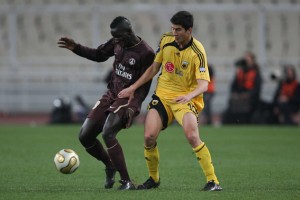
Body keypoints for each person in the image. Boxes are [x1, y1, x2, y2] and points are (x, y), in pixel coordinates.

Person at [118, 11, 222, 191]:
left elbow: (204, 84)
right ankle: (153, 179)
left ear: (189, 30)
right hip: (163, 96)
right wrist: (133, 87)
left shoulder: (198, 51)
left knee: (192, 136)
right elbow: (153, 69)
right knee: (149, 137)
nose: (174, 32)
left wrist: (189, 96)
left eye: (178, 29)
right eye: (172, 28)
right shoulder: (166, 41)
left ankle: (213, 181)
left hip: (185, 99)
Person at [57, 16, 155, 190]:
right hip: (111, 94)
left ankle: (127, 182)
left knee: (108, 132)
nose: (115, 41)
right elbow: (99, 54)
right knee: (85, 136)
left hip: (128, 98)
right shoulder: (117, 43)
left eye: (118, 37)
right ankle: (110, 166)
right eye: (114, 37)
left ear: (128, 32)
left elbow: (145, 84)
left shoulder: (146, 53)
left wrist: (134, 106)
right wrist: (76, 48)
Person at [222, 51, 262, 124]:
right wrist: (235, 93)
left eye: (248, 59)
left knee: (246, 104)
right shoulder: (240, 71)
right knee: (233, 101)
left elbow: (257, 88)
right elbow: (234, 85)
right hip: (240, 95)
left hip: (251, 97)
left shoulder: (255, 72)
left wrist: (248, 94)